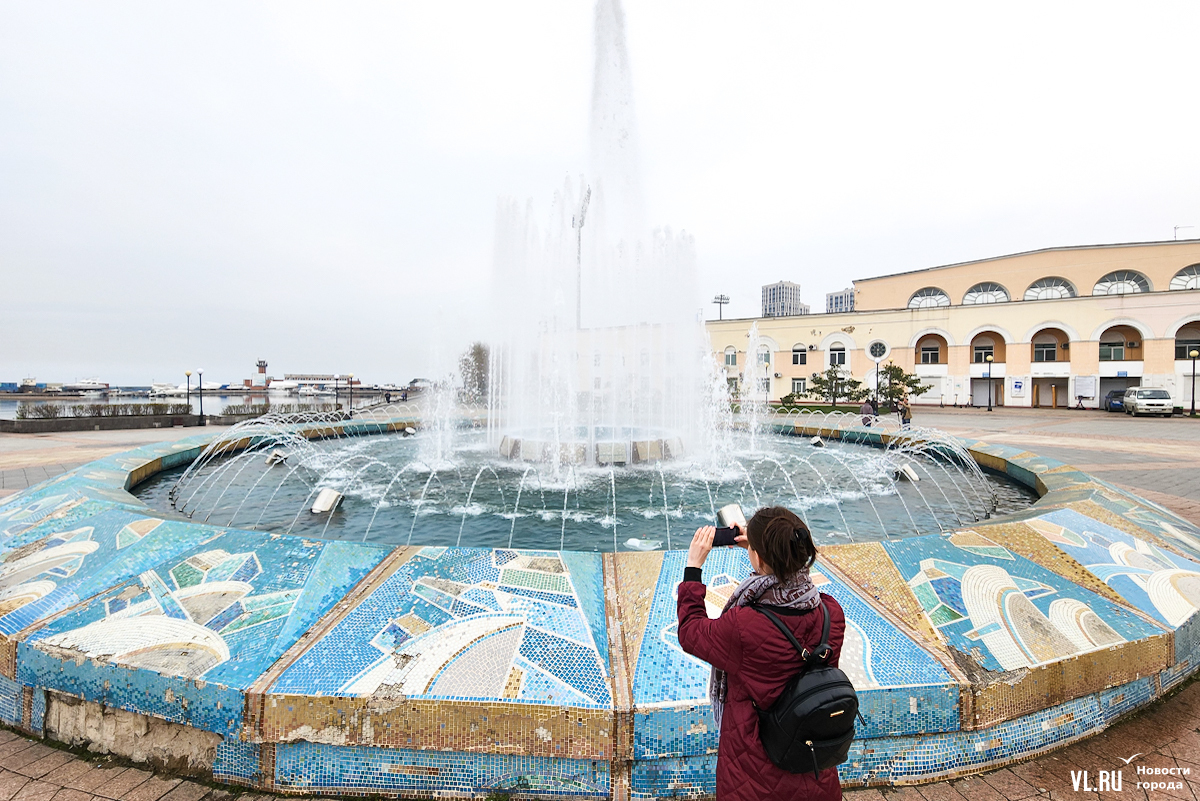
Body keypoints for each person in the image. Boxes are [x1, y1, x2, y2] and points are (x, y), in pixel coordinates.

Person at [677, 507, 846, 801]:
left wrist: (693, 568)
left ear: (759, 556)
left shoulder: (744, 626)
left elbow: (691, 633)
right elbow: (783, 585)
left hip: (756, 776)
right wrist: (760, 552)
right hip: (813, 765)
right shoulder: (831, 613)